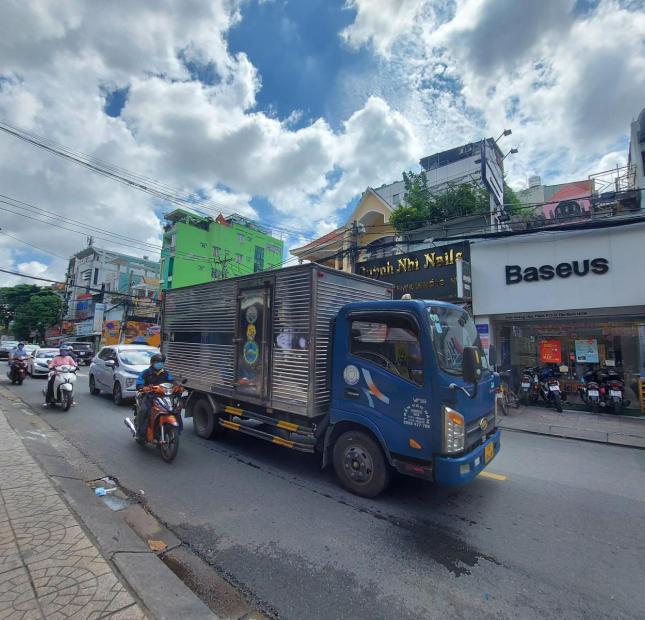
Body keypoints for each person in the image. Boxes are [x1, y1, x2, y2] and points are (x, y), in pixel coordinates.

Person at [135, 353, 181, 438]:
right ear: (152, 363)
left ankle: (178, 429)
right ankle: (140, 431)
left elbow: (172, 382)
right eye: (158, 362)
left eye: (161, 362)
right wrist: (144, 388)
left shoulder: (166, 373)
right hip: (150, 397)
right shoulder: (145, 373)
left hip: (164, 397)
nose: (160, 364)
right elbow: (139, 384)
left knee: (175, 409)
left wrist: (178, 387)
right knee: (144, 411)